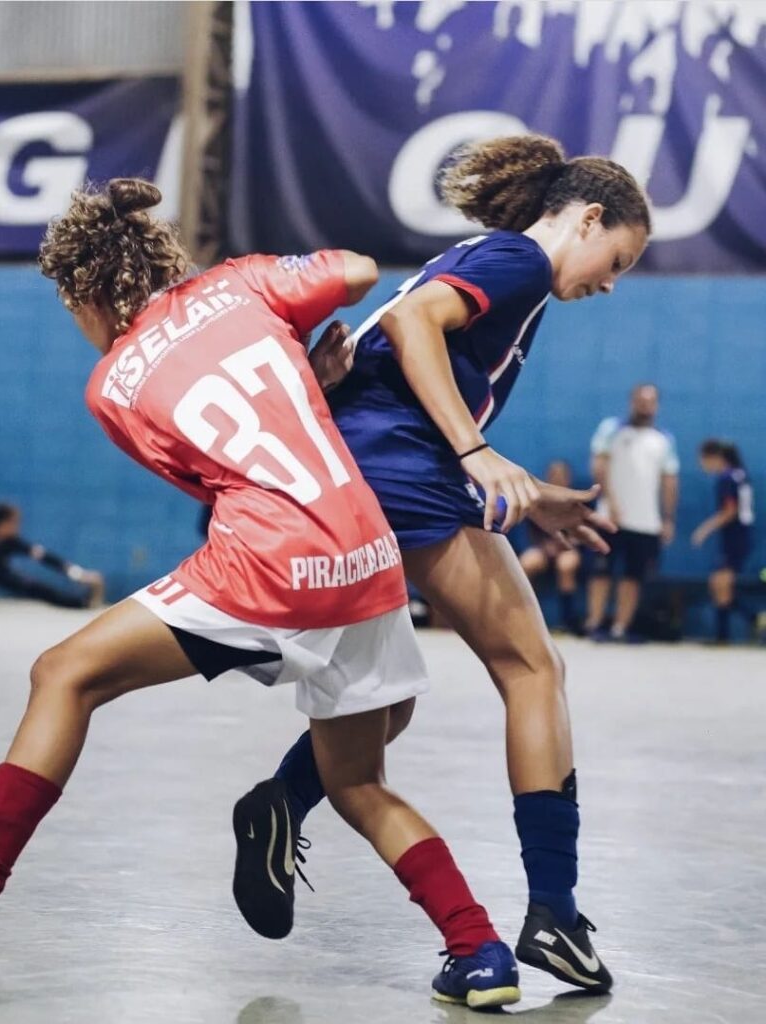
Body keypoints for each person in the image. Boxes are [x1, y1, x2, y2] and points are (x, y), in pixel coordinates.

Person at [0, 179, 525, 1010]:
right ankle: (480, 950)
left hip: (269, 559)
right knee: (357, 781)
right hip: (367, 553)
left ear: (88, 292)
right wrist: (305, 361)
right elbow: (358, 269)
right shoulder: (242, 283)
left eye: (70, 308)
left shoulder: (111, 387)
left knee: (66, 674)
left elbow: (213, 476)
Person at [236, 134, 649, 994]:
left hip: (364, 474)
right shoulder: (520, 262)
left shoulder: (477, 262)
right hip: (404, 477)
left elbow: (389, 366)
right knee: (533, 668)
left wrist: (532, 491)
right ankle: (555, 915)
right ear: (588, 217)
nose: (611, 281)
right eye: (618, 259)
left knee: (388, 710)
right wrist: (477, 449)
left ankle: (277, 805)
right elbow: (419, 333)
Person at [584, 384, 679, 641]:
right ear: (632, 401)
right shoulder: (611, 429)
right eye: (640, 400)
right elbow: (599, 465)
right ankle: (594, 624)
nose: (645, 405)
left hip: (646, 521)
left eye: (650, 401)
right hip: (610, 517)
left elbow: (669, 480)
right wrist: (610, 501)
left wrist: (668, 518)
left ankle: (620, 628)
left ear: (657, 405)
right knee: (601, 571)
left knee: (633, 576)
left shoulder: (664, 440)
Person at [692, 440, 755, 643]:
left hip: (735, 536)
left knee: (722, 583)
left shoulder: (727, 478)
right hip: (741, 535)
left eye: (703, 460)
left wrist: (704, 529)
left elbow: (729, 511)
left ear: (715, 457)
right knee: (719, 583)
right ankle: (731, 629)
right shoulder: (740, 474)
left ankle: (728, 632)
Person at [518, 461, 584, 635]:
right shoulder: (538, 501)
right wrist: (546, 547)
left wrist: (567, 544)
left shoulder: (577, 501)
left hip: (569, 549)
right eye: (554, 475)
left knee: (566, 565)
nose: (558, 478)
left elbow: (583, 532)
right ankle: (524, 617)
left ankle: (567, 620)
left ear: (568, 478)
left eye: (562, 475)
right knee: (526, 563)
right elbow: (533, 531)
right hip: (544, 549)